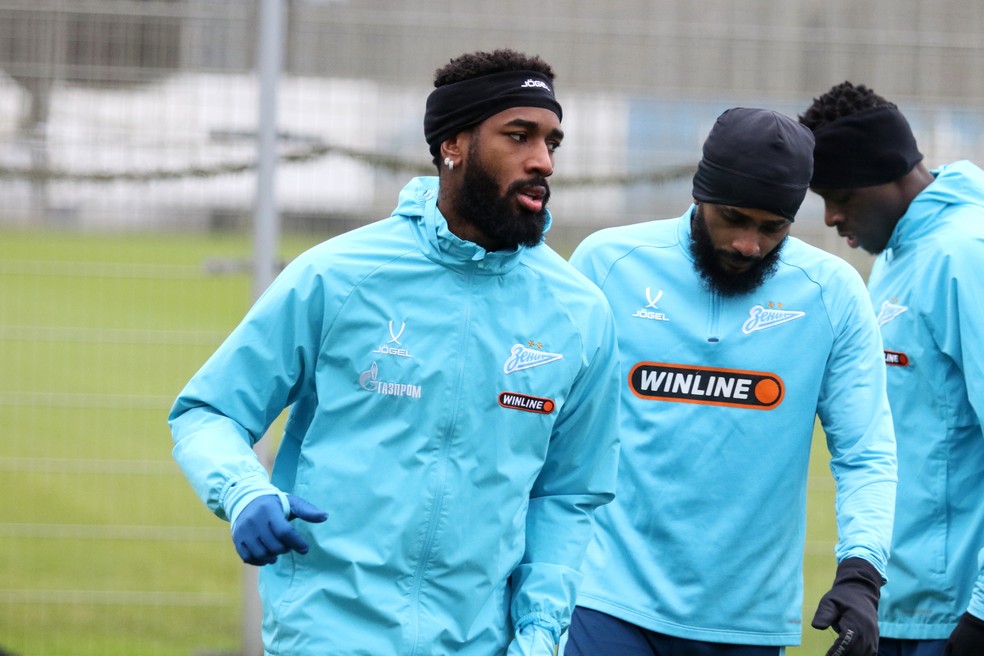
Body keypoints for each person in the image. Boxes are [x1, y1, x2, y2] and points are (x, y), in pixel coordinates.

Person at [168, 48, 622, 656]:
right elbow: (210, 411)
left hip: (482, 642)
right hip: (326, 634)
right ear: (452, 145)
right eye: (519, 136)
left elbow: (568, 495)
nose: (542, 160)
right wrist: (244, 490)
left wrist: (540, 632)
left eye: (551, 142)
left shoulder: (578, 312)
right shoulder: (337, 276)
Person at [563, 107, 898, 656]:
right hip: (606, 600)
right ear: (700, 194)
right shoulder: (608, 264)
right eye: (733, 218)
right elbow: (547, 426)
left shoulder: (832, 293)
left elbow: (866, 452)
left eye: (772, 228)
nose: (748, 244)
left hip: (748, 623)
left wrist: (862, 572)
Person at [799, 81, 984, 656]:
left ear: (885, 176)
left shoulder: (967, 255)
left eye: (840, 196)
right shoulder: (899, 254)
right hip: (904, 609)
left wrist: (982, 616)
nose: (831, 216)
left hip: (957, 616)